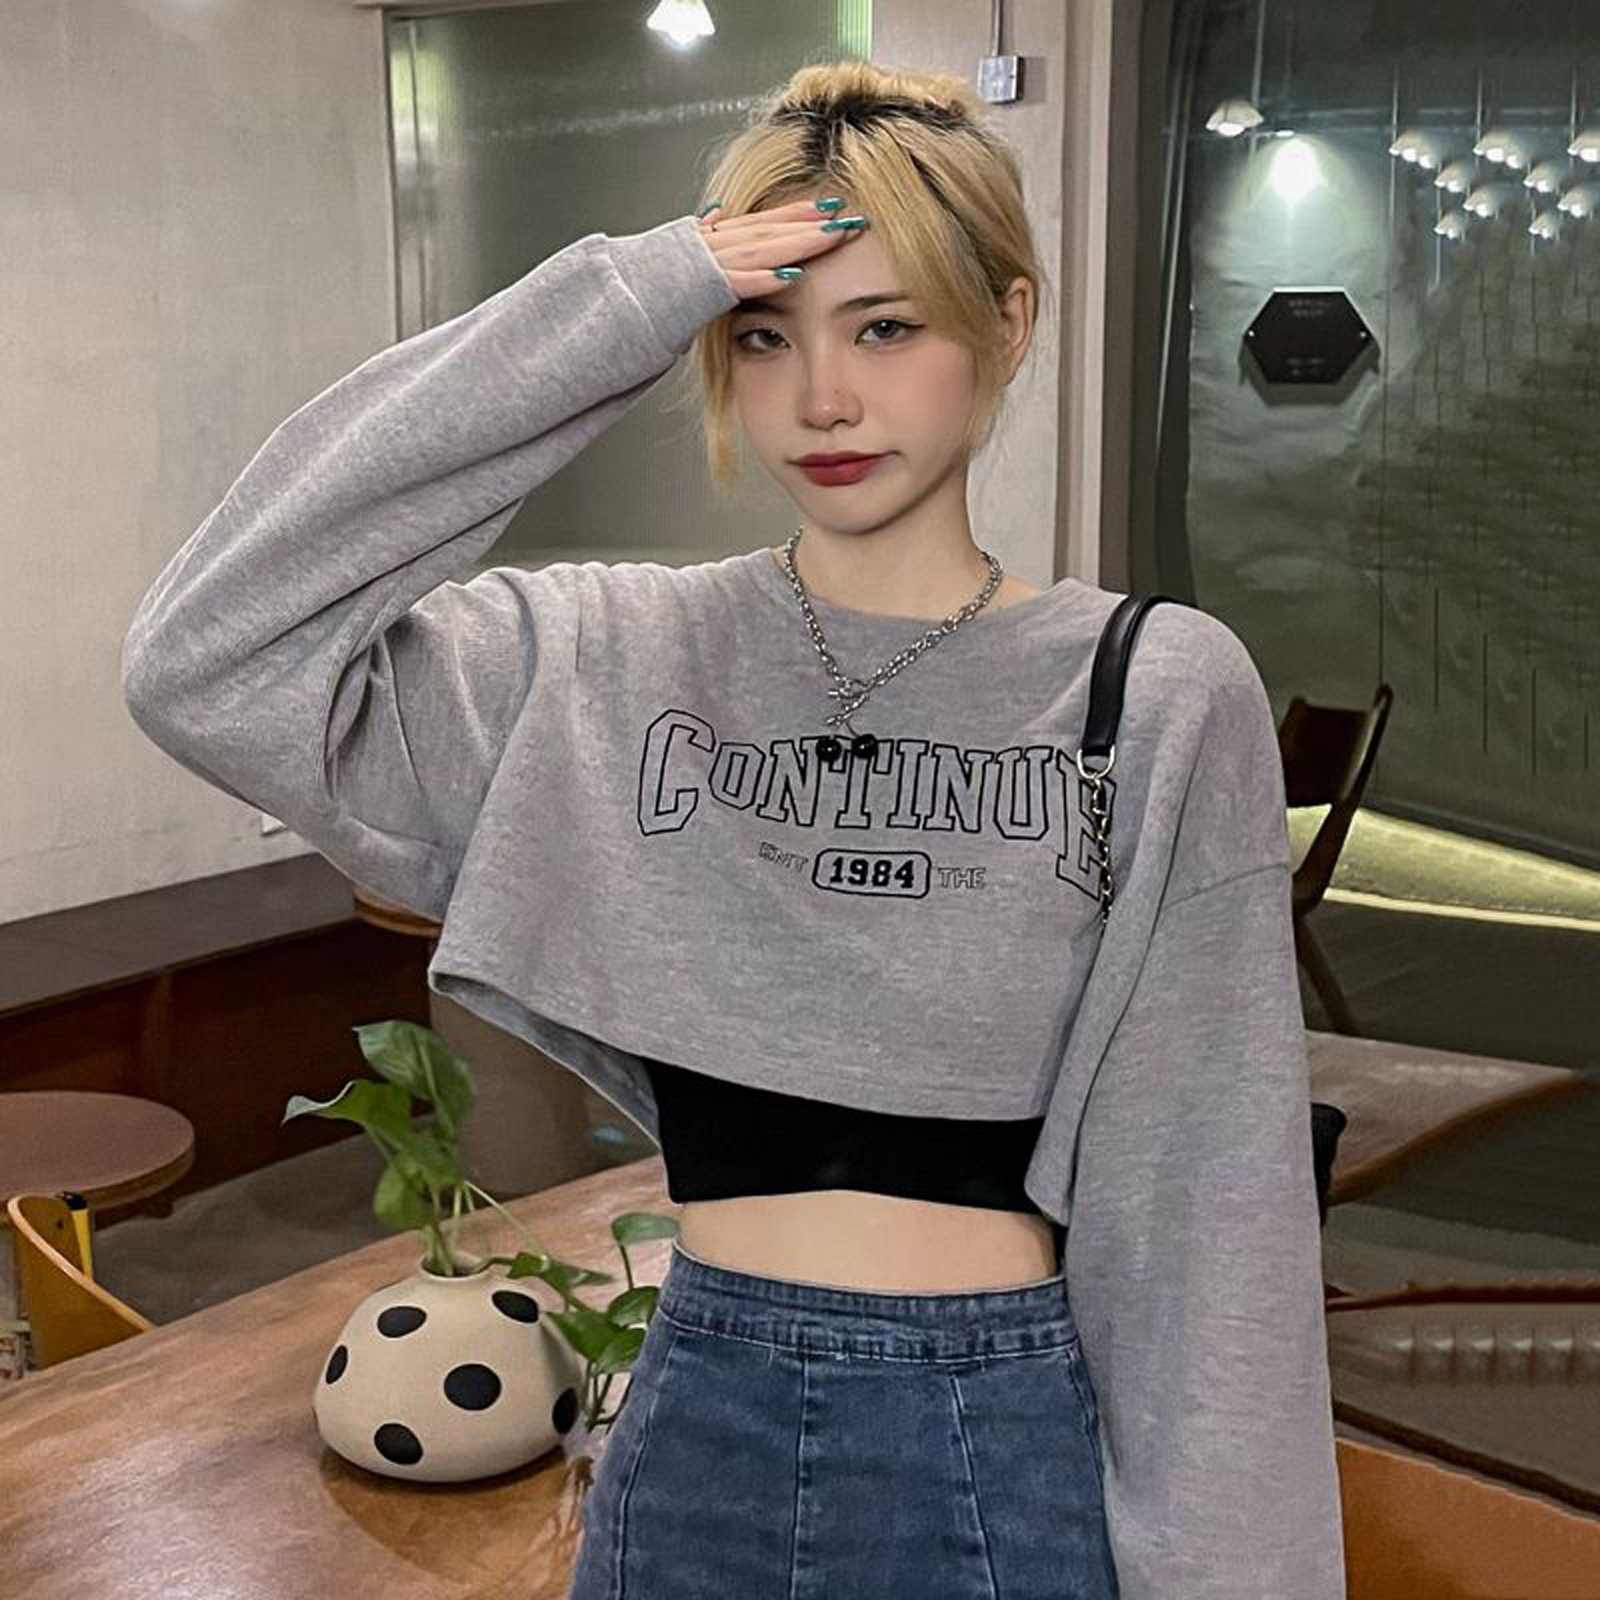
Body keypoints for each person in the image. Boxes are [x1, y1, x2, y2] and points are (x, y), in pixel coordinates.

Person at [121, 56, 1345, 1600]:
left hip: (994, 1436)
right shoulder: (606, 662)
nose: (821, 398)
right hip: (695, 1417)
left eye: (885, 328)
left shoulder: (1150, 689)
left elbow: (1209, 1225)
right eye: (764, 334)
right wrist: (632, 297)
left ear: (1008, 322)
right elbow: (208, 661)